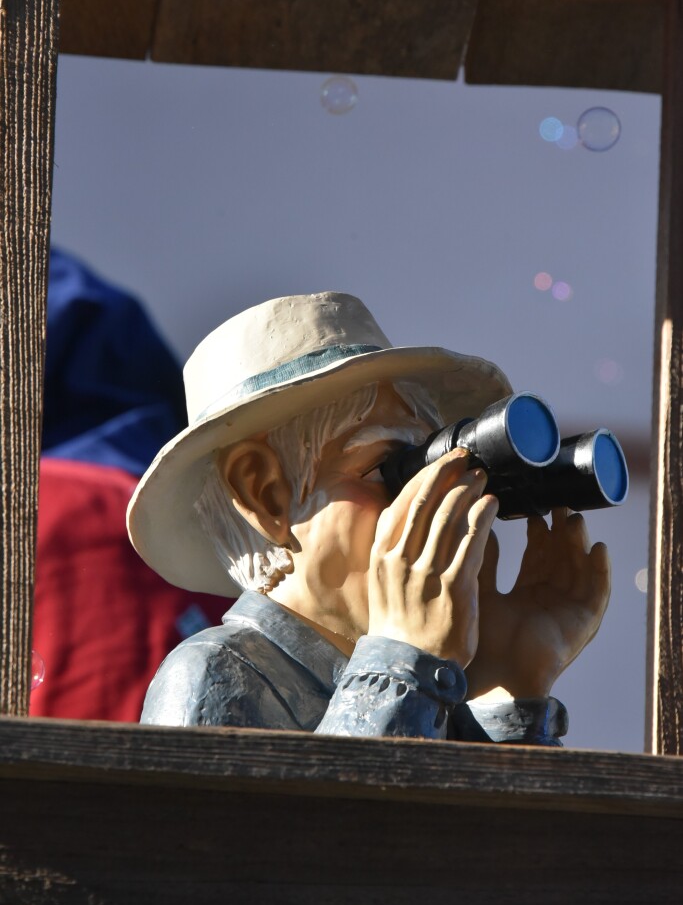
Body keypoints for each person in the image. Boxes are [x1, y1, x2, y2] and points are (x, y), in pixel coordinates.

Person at [128, 292, 610, 743]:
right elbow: (334, 832)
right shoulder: (215, 671)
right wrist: (400, 664)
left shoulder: (436, 686)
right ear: (265, 494)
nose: (433, 507)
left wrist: (509, 687)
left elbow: (482, 835)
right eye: (388, 470)